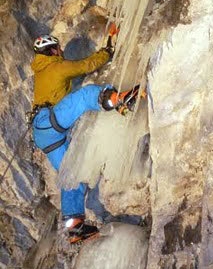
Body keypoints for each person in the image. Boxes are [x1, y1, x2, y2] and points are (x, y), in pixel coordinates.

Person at [30, 33, 139, 244]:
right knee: (85, 95)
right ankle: (117, 100)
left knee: (73, 174)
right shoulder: (56, 66)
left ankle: (75, 228)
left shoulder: (41, 71)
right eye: (59, 48)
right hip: (48, 121)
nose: (61, 51)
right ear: (52, 50)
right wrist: (107, 50)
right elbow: (87, 65)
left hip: (44, 135)